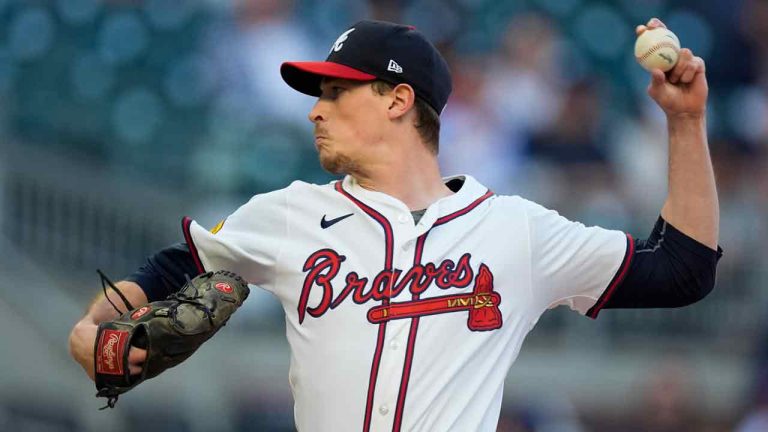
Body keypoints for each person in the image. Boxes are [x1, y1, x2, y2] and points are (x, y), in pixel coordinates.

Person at [69, 18, 722, 431]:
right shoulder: (290, 213)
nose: (315, 112)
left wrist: (687, 124)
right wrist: (92, 335)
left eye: (335, 93)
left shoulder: (513, 231)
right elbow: (167, 271)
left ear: (397, 100)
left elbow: (682, 268)